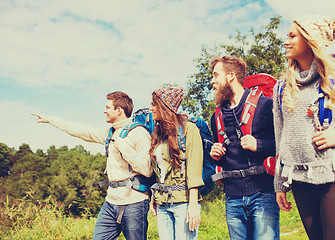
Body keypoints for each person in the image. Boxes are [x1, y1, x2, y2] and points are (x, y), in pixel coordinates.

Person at [273, 16, 335, 240]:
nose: (286, 41)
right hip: (300, 182)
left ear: (311, 40)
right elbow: (280, 137)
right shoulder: (282, 87)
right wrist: (280, 184)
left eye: (292, 36)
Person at [32, 91, 152, 240]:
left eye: (108, 107)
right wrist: (51, 120)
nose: (104, 110)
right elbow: (83, 131)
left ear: (119, 110)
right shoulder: (109, 133)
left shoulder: (139, 133)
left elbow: (147, 170)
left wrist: (124, 148)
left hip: (135, 203)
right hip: (111, 202)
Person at [209, 56, 279, 240]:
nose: (212, 81)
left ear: (231, 76)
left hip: (263, 193)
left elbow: (283, 145)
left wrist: (259, 145)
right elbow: (223, 155)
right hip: (232, 197)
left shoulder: (266, 105)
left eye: (216, 75)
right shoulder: (216, 116)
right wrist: (215, 155)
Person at [148, 86, 204, 240]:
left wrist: (193, 205)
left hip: (184, 202)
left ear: (165, 106)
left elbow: (194, 170)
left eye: (154, 104)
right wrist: (155, 195)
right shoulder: (159, 134)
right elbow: (161, 170)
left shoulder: (189, 130)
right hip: (162, 203)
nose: (151, 108)